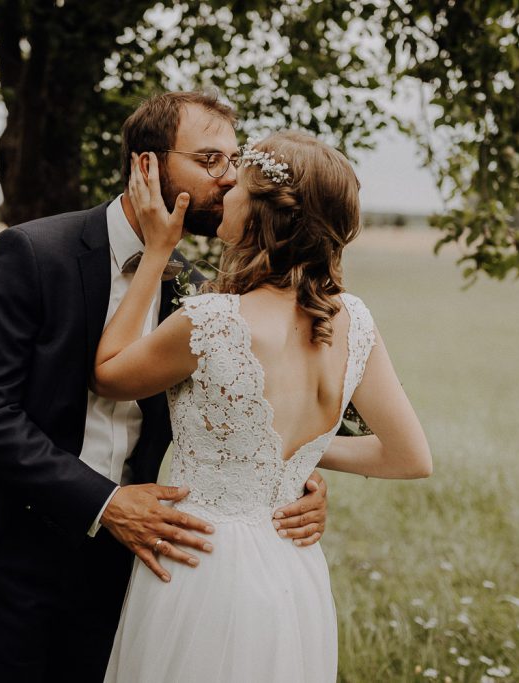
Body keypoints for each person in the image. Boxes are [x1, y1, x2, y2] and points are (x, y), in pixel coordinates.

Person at [0, 92, 331, 681]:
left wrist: (299, 480)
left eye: (233, 161)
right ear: (147, 166)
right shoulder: (35, 251)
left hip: (129, 563)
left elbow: (250, 410)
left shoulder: (202, 293)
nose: (228, 178)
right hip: (11, 549)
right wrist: (106, 503)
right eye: (209, 160)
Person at [93, 131, 433, 682]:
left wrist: (156, 252)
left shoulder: (215, 320)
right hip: (291, 569)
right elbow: (409, 457)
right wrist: (290, 456)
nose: (225, 187)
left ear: (260, 214)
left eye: (239, 185)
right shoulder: (353, 320)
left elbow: (109, 375)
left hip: (200, 562)